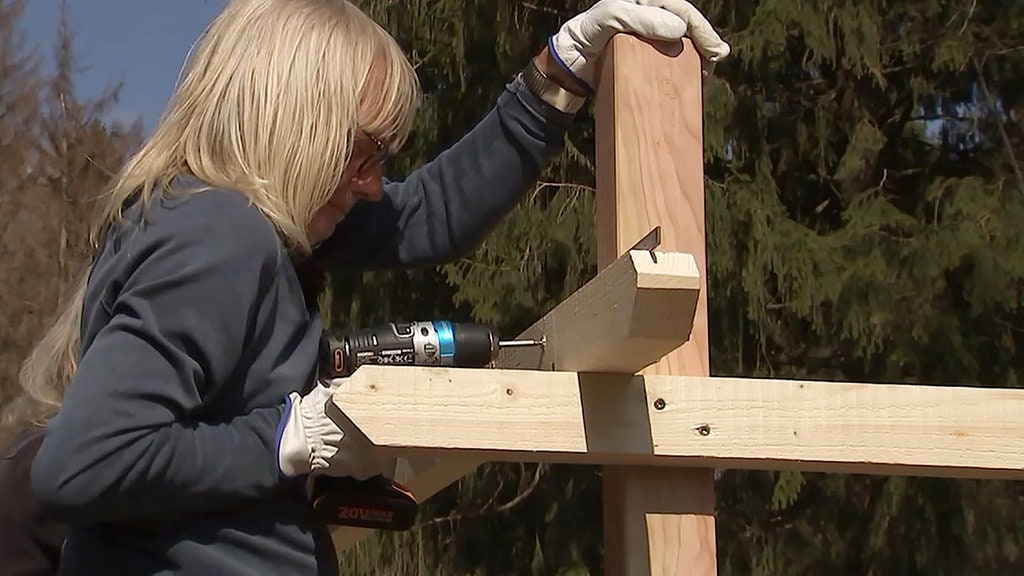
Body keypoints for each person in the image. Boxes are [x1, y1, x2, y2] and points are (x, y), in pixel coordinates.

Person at [2, 0, 730, 574]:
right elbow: (83, 463)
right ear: (292, 125)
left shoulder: (255, 231)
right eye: (362, 153)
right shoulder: (218, 234)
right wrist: (290, 439)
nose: (374, 184)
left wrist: (562, 69)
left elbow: (432, 213)